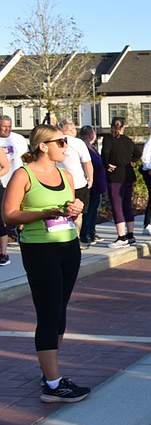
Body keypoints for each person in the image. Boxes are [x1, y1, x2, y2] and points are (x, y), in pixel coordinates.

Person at [1, 125, 90, 402]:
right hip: (40, 249)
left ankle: (50, 372)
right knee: (49, 314)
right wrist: (44, 213)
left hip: (68, 246)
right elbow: (9, 215)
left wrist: (77, 208)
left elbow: (73, 205)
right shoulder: (23, 174)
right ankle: (52, 385)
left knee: (60, 312)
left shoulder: (65, 174)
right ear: (43, 146)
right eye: (61, 142)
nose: (66, 146)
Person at [101, 118, 140, 248]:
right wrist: (132, 161)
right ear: (123, 127)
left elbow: (105, 152)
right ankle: (130, 235)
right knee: (127, 205)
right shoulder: (127, 140)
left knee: (117, 205)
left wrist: (107, 165)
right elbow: (138, 153)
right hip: (128, 174)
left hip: (115, 175)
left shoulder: (108, 139)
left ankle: (121, 237)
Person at [56, 119, 94, 243]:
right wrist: (90, 179)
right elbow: (87, 163)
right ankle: (75, 237)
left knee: (61, 210)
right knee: (78, 212)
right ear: (72, 130)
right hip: (78, 182)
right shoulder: (78, 143)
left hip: (59, 182)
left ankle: (62, 236)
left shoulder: (55, 142)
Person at [0, 115, 29, 262]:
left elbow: (26, 158)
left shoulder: (18, 139)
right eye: (4, 126)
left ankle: (20, 232)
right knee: (4, 212)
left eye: (9, 126)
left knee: (20, 207)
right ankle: (9, 234)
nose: (7, 129)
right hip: (2, 181)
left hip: (17, 178)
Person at [78, 125, 107, 247]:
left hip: (98, 184)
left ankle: (92, 231)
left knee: (94, 210)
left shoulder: (93, 148)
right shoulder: (84, 149)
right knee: (88, 211)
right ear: (90, 136)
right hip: (91, 185)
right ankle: (85, 234)